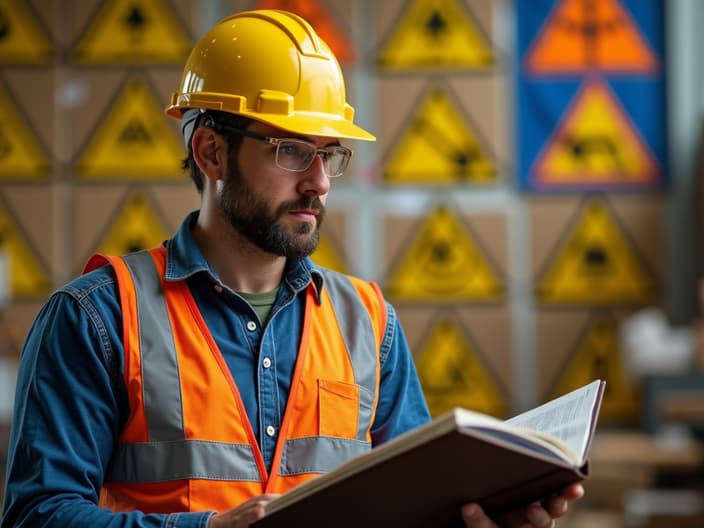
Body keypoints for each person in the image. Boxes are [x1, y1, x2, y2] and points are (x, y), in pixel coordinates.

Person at [1, 9, 583, 528]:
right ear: (211, 152)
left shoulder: (369, 324)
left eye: (328, 154)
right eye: (291, 151)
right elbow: (38, 514)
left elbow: (418, 506)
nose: (320, 182)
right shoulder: (98, 317)